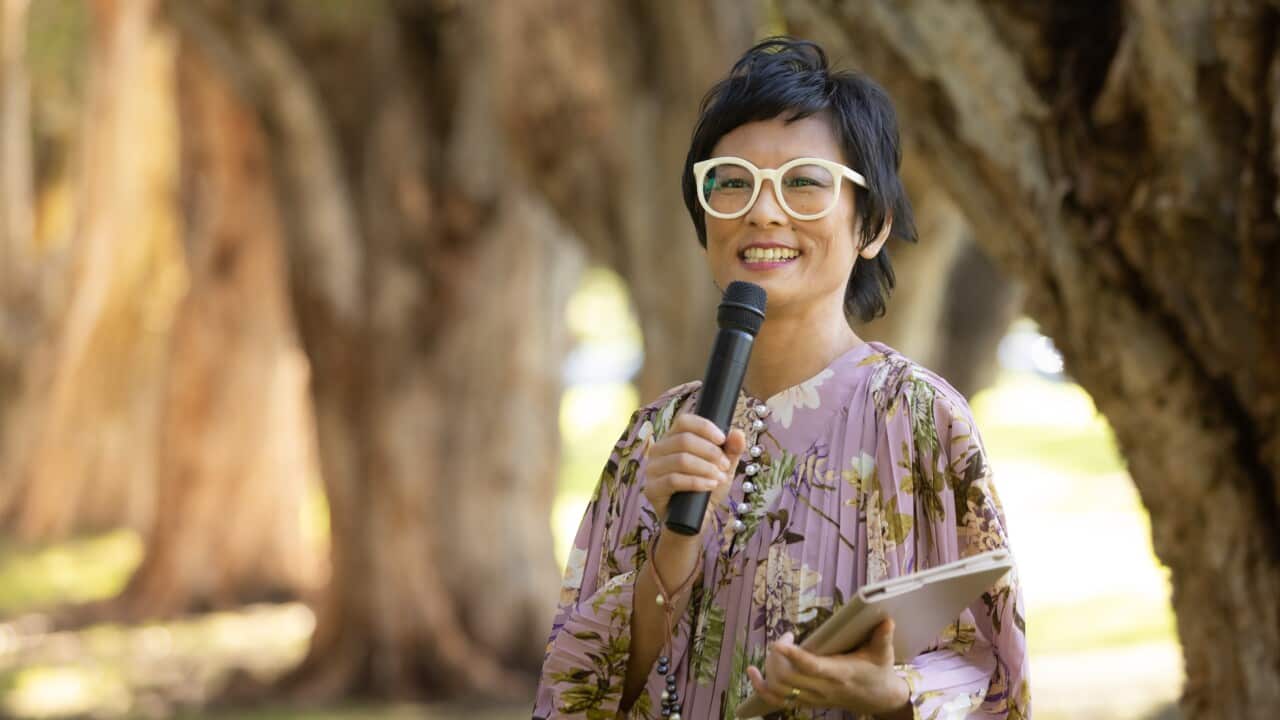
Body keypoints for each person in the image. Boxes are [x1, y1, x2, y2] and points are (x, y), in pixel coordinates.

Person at [534, 37, 1030, 720]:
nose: (762, 211)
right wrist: (674, 548)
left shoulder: (918, 419)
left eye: (803, 181)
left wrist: (893, 694)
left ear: (873, 225)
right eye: (732, 180)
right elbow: (580, 694)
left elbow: (992, 673)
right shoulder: (654, 438)